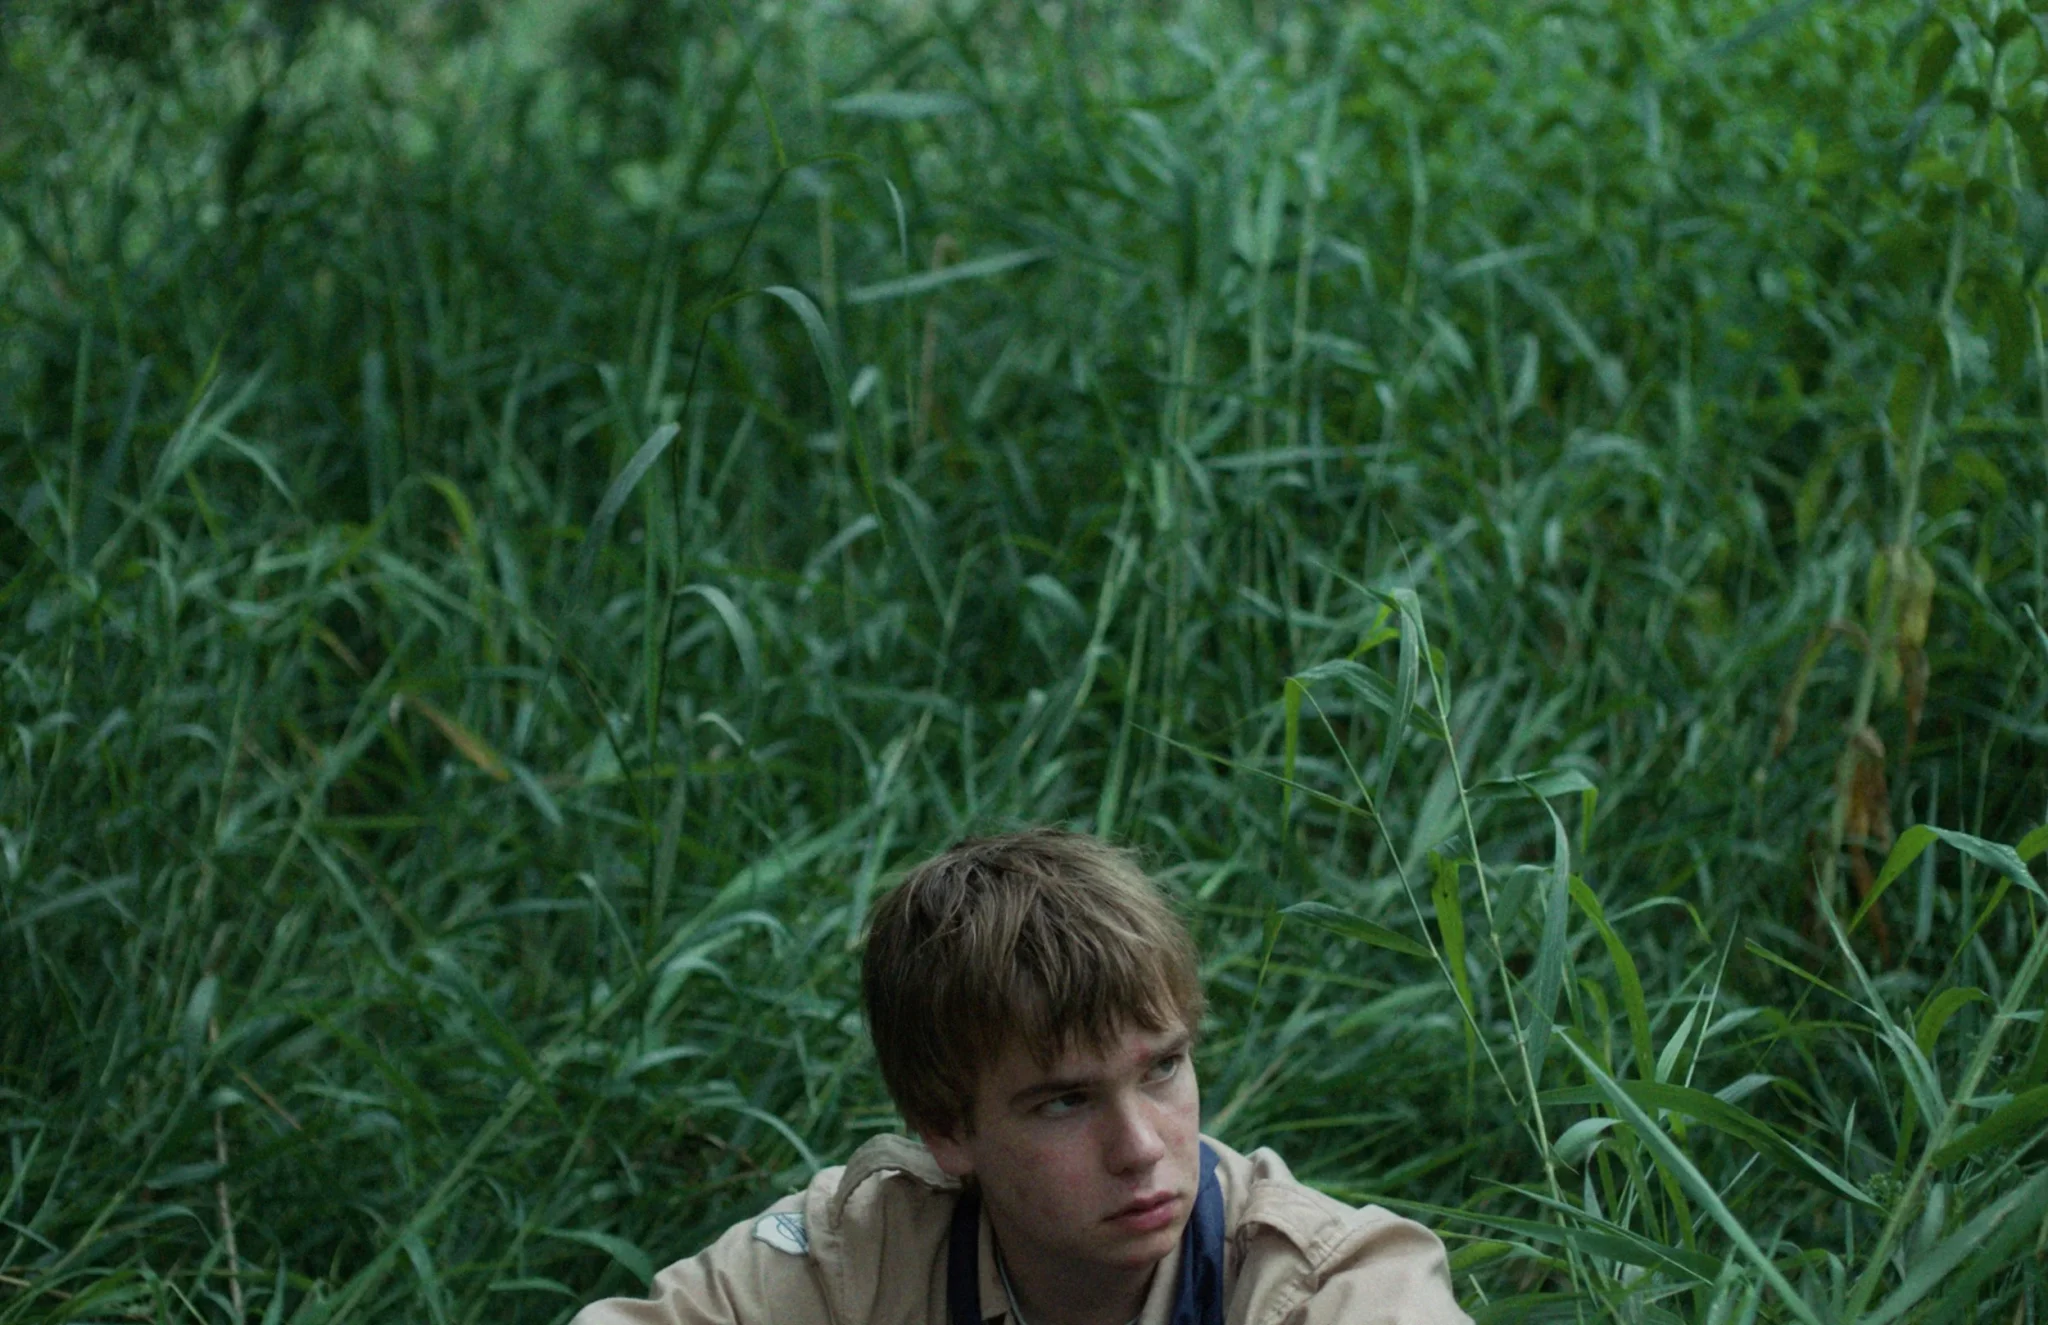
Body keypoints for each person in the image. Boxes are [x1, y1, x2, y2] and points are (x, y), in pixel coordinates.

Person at [572, 828, 1470, 1325]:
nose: (1142, 1147)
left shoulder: (1315, 1284)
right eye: (1065, 1101)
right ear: (945, 1129)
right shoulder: (864, 1257)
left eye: (1162, 1068)